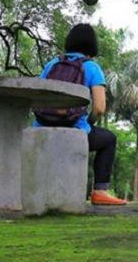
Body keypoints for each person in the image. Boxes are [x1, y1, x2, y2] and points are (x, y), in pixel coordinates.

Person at [34, 24, 126, 205]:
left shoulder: (52, 64)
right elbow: (99, 107)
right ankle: (100, 191)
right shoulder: (91, 67)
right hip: (74, 127)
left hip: (42, 127)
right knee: (108, 139)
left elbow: (37, 95)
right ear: (92, 45)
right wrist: (89, 123)